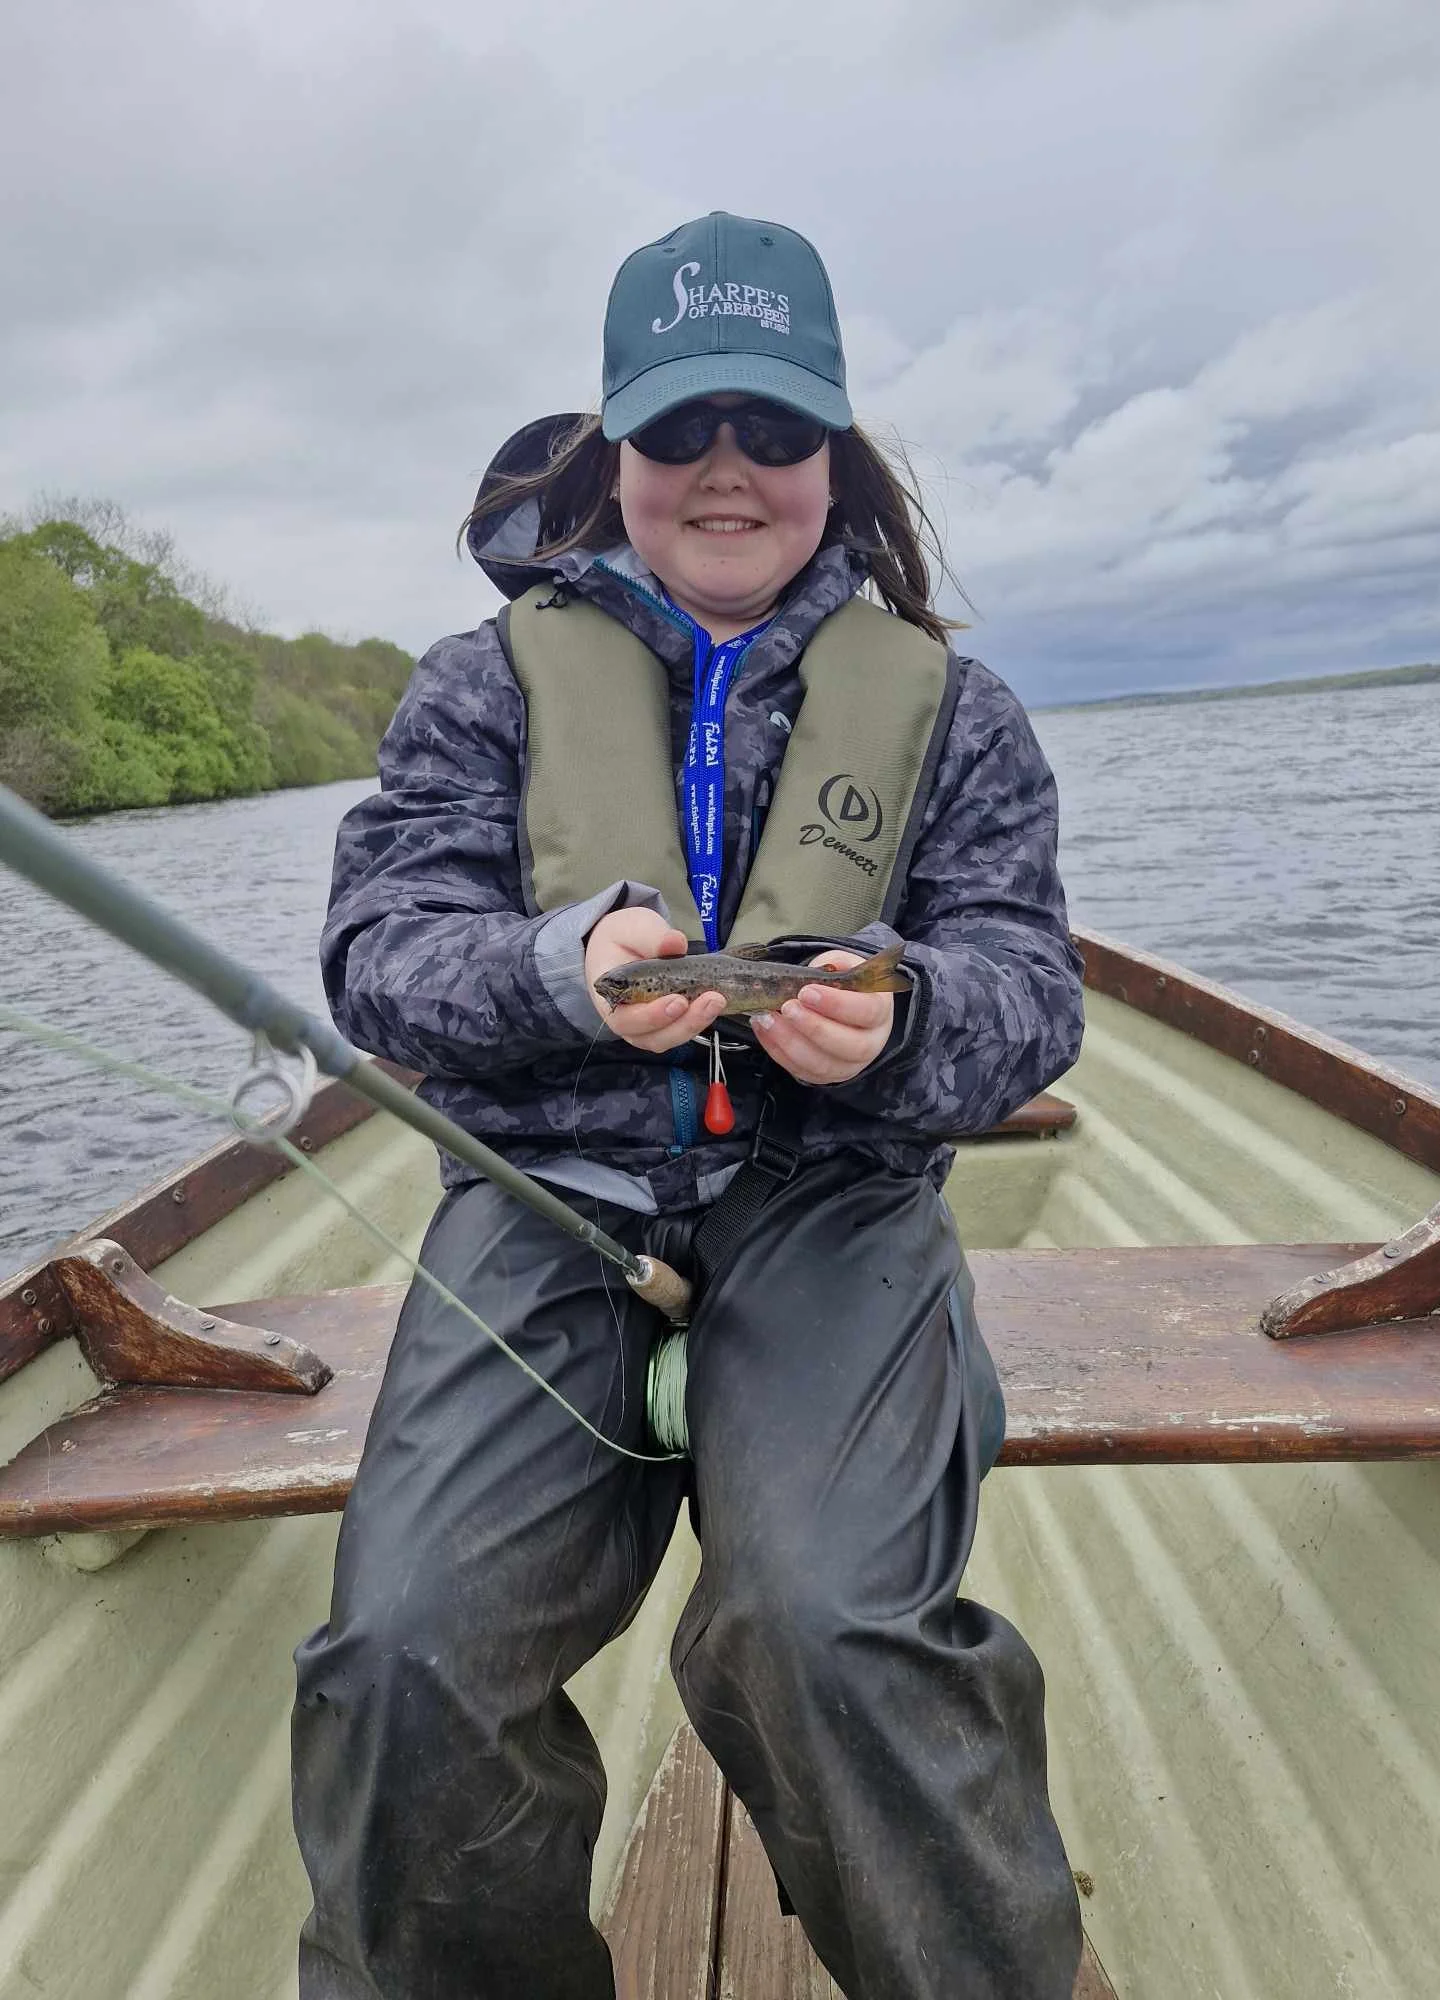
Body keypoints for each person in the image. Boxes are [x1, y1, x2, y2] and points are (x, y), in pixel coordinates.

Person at [292, 210, 1086, 1999]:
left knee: (826, 1630)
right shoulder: (479, 687)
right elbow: (380, 955)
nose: (728, 472)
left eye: (777, 431)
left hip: (834, 1200)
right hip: (549, 1194)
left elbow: (1033, 998)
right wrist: (551, 976)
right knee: (406, 1655)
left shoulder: (958, 714)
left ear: (835, 455)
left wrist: (905, 1025)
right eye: (682, 431)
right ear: (616, 451)